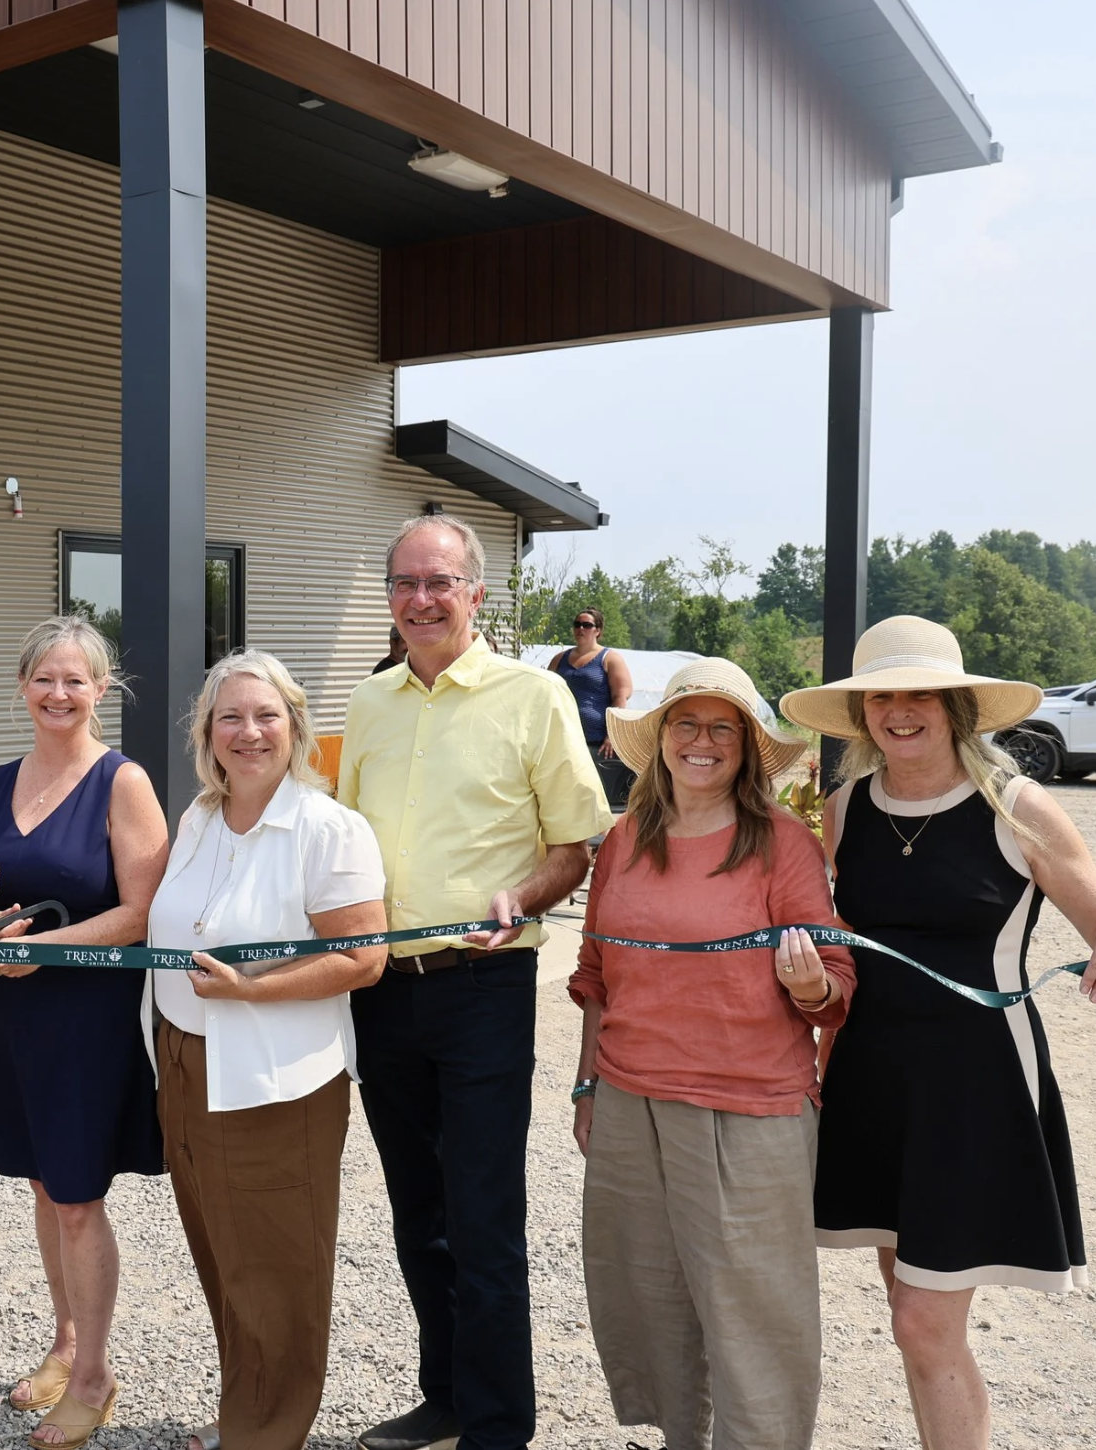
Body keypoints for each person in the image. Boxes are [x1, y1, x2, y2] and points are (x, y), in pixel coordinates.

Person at [779, 616, 1096, 1450]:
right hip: (871, 1081)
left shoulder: (1016, 804)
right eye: (882, 696)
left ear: (957, 706)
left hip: (977, 1085)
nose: (900, 710)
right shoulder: (843, 810)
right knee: (909, 1312)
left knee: (923, 1319)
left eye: (921, 694)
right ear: (863, 713)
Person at [338, 515, 611, 1450]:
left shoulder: (535, 698)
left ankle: (498, 1428)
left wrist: (522, 892)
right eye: (406, 582)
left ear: (476, 595)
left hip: (483, 988)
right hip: (380, 988)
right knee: (418, 1207)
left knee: (485, 1215)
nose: (422, 599)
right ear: (389, 596)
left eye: (440, 582)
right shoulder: (367, 705)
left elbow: (575, 845)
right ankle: (447, 1397)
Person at [568, 658, 856, 1450]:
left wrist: (806, 989)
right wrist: (586, 1087)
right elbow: (596, 976)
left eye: (720, 727)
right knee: (650, 1301)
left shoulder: (783, 845)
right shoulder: (624, 839)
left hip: (748, 1110)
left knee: (755, 1317)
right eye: (686, 725)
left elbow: (837, 984)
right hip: (630, 1105)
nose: (701, 742)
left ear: (745, 746)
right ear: (662, 740)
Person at [146, 650, 388, 1450]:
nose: (248, 733)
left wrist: (254, 990)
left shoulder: (328, 828)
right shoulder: (200, 820)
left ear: (294, 727)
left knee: (277, 1268)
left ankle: (268, 1431)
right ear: (207, 734)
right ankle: (244, 1410)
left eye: (265, 716)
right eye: (230, 718)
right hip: (187, 1064)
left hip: (276, 1081)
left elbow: (365, 957)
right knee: (223, 1255)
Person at [0, 616, 170, 1450]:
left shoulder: (122, 782)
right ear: (23, 686)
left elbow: (143, 912)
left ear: (101, 690)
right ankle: (64, 1343)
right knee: (44, 1188)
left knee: (80, 1198)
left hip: (86, 1015)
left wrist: (41, 951)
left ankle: (95, 1375)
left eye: (76, 680)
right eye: (45, 679)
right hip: (15, 1010)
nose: (59, 694)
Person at [551, 608, 635, 810]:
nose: (581, 629)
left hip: (596, 739)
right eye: (577, 624)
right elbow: (546, 693)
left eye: (587, 625)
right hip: (563, 736)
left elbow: (621, 695)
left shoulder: (609, 658)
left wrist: (612, 734)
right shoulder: (559, 659)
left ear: (597, 630)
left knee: (595, 795)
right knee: (566, 795)